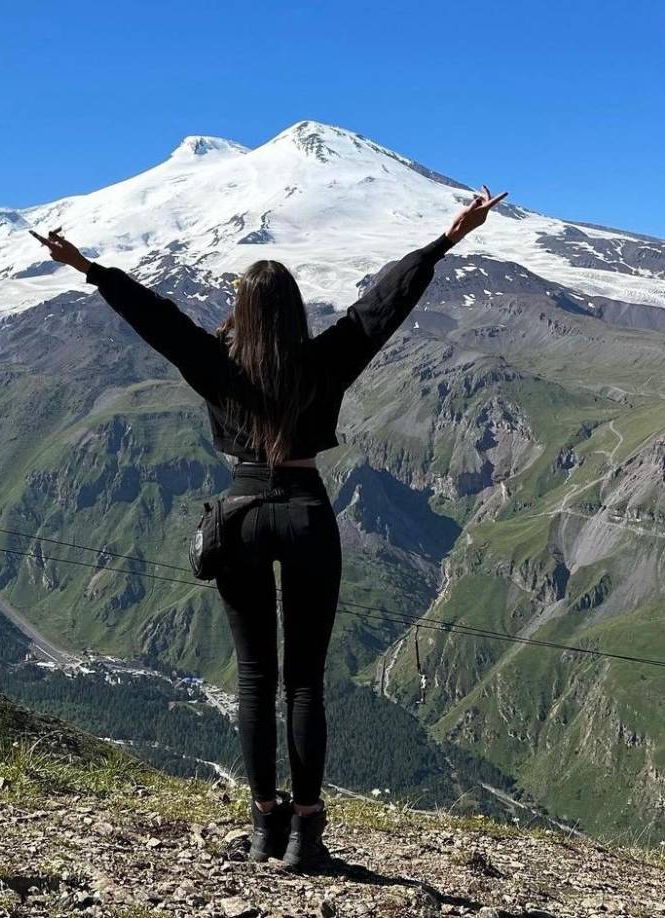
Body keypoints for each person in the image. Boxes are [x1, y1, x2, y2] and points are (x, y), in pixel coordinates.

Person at [31, 184, 507, 871]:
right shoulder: (327, 358)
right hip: (309, 513)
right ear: (293, 311)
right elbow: (385, 303)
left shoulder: (214, 365)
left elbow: (155, 318)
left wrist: (88, 267)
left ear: (242, 313)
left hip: (242, 517)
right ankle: (307, 832)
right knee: (305, 681)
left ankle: (262, 823)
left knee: (255, 678)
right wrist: (447, 238)